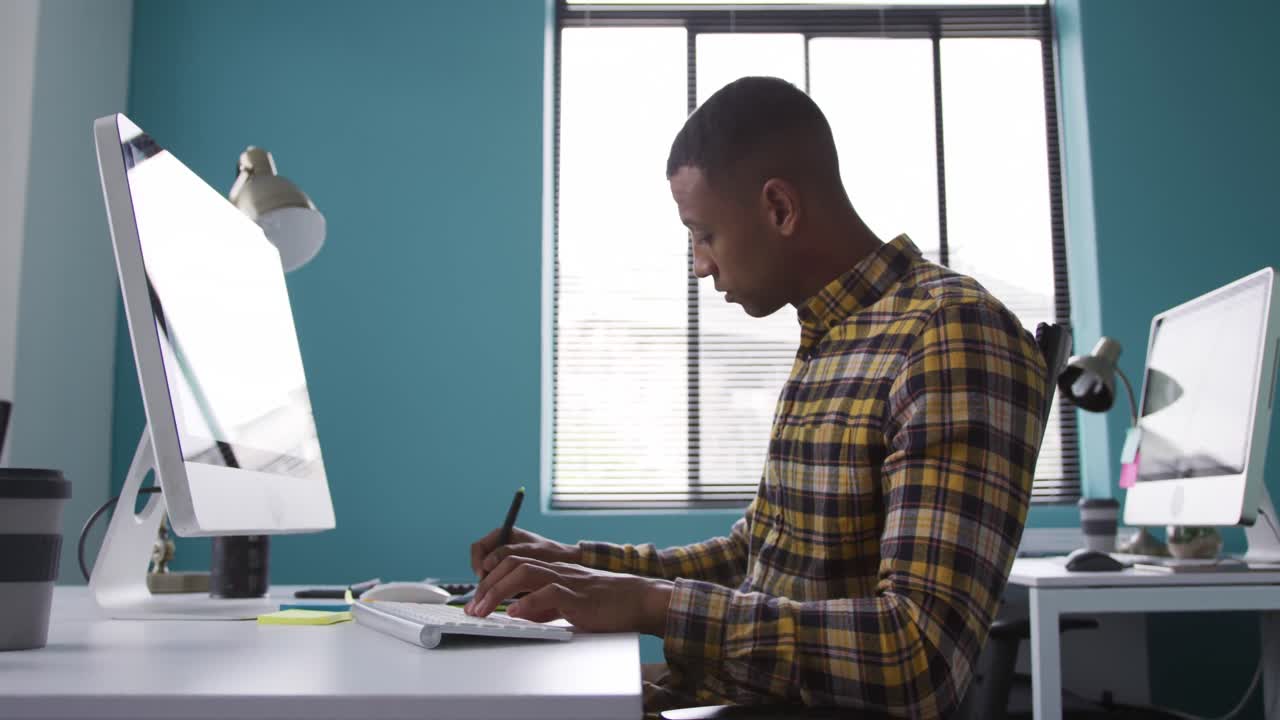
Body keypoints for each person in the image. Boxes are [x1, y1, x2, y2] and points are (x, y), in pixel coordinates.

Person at [466, 76, 1048, 719]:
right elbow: (757, 556)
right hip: (714, 695)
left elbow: (919, 656)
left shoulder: (949, 336)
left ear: (779, 208)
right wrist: (577, 567)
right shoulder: (833, 337)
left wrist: (649, 605)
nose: (700, 264)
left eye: (704, 234)